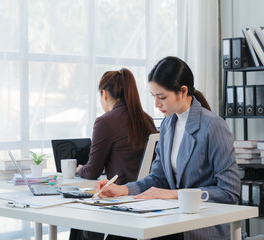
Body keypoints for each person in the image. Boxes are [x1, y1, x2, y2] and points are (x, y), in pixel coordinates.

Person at [94, 56, 241, 240]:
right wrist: (121, 189)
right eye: (153, 96)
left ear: (183, 91)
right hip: (173, 218)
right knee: (119, 234)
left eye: (162, 97)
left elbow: (230, 192)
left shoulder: (213, 126)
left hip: (203, 225)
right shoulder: (168, 124)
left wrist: (172, 195)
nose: (156, 104)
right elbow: (157, 178)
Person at [70, 68, 157, 240]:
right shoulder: (147, 119)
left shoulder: (105, 121)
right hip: (148, 198)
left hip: (120, 199)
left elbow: (92, 171)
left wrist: (79, 168)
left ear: (104, 94)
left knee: (78, 220)